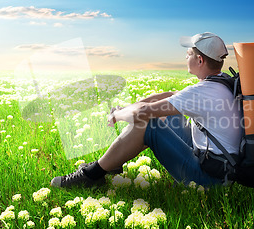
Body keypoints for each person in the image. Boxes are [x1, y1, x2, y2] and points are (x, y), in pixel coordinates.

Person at [51, 32, 241, 188]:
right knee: (169, 113)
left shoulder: (203, 92)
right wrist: (128, 107)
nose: (185, 56)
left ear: (199, 60)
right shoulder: (220, 82)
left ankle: (92, 175)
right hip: (220, 167)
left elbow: (143, 112)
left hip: (210, 180)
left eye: (189, 53)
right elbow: (170, 94)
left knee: (147, 123)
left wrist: (117, 115)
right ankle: (112, 163)